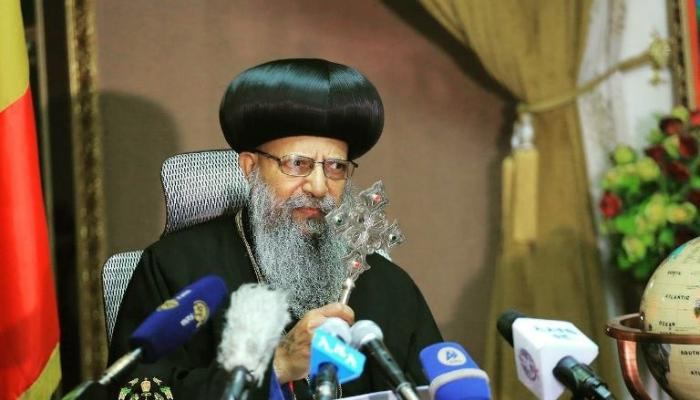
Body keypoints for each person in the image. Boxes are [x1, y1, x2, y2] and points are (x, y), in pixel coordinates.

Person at [108, 58, 442, 399]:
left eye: (336, 167)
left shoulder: (388, 285)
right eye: (297, 164)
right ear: (250, 167)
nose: (319, 186)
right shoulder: (176, 268)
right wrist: (276, 365)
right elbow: (135, 392)